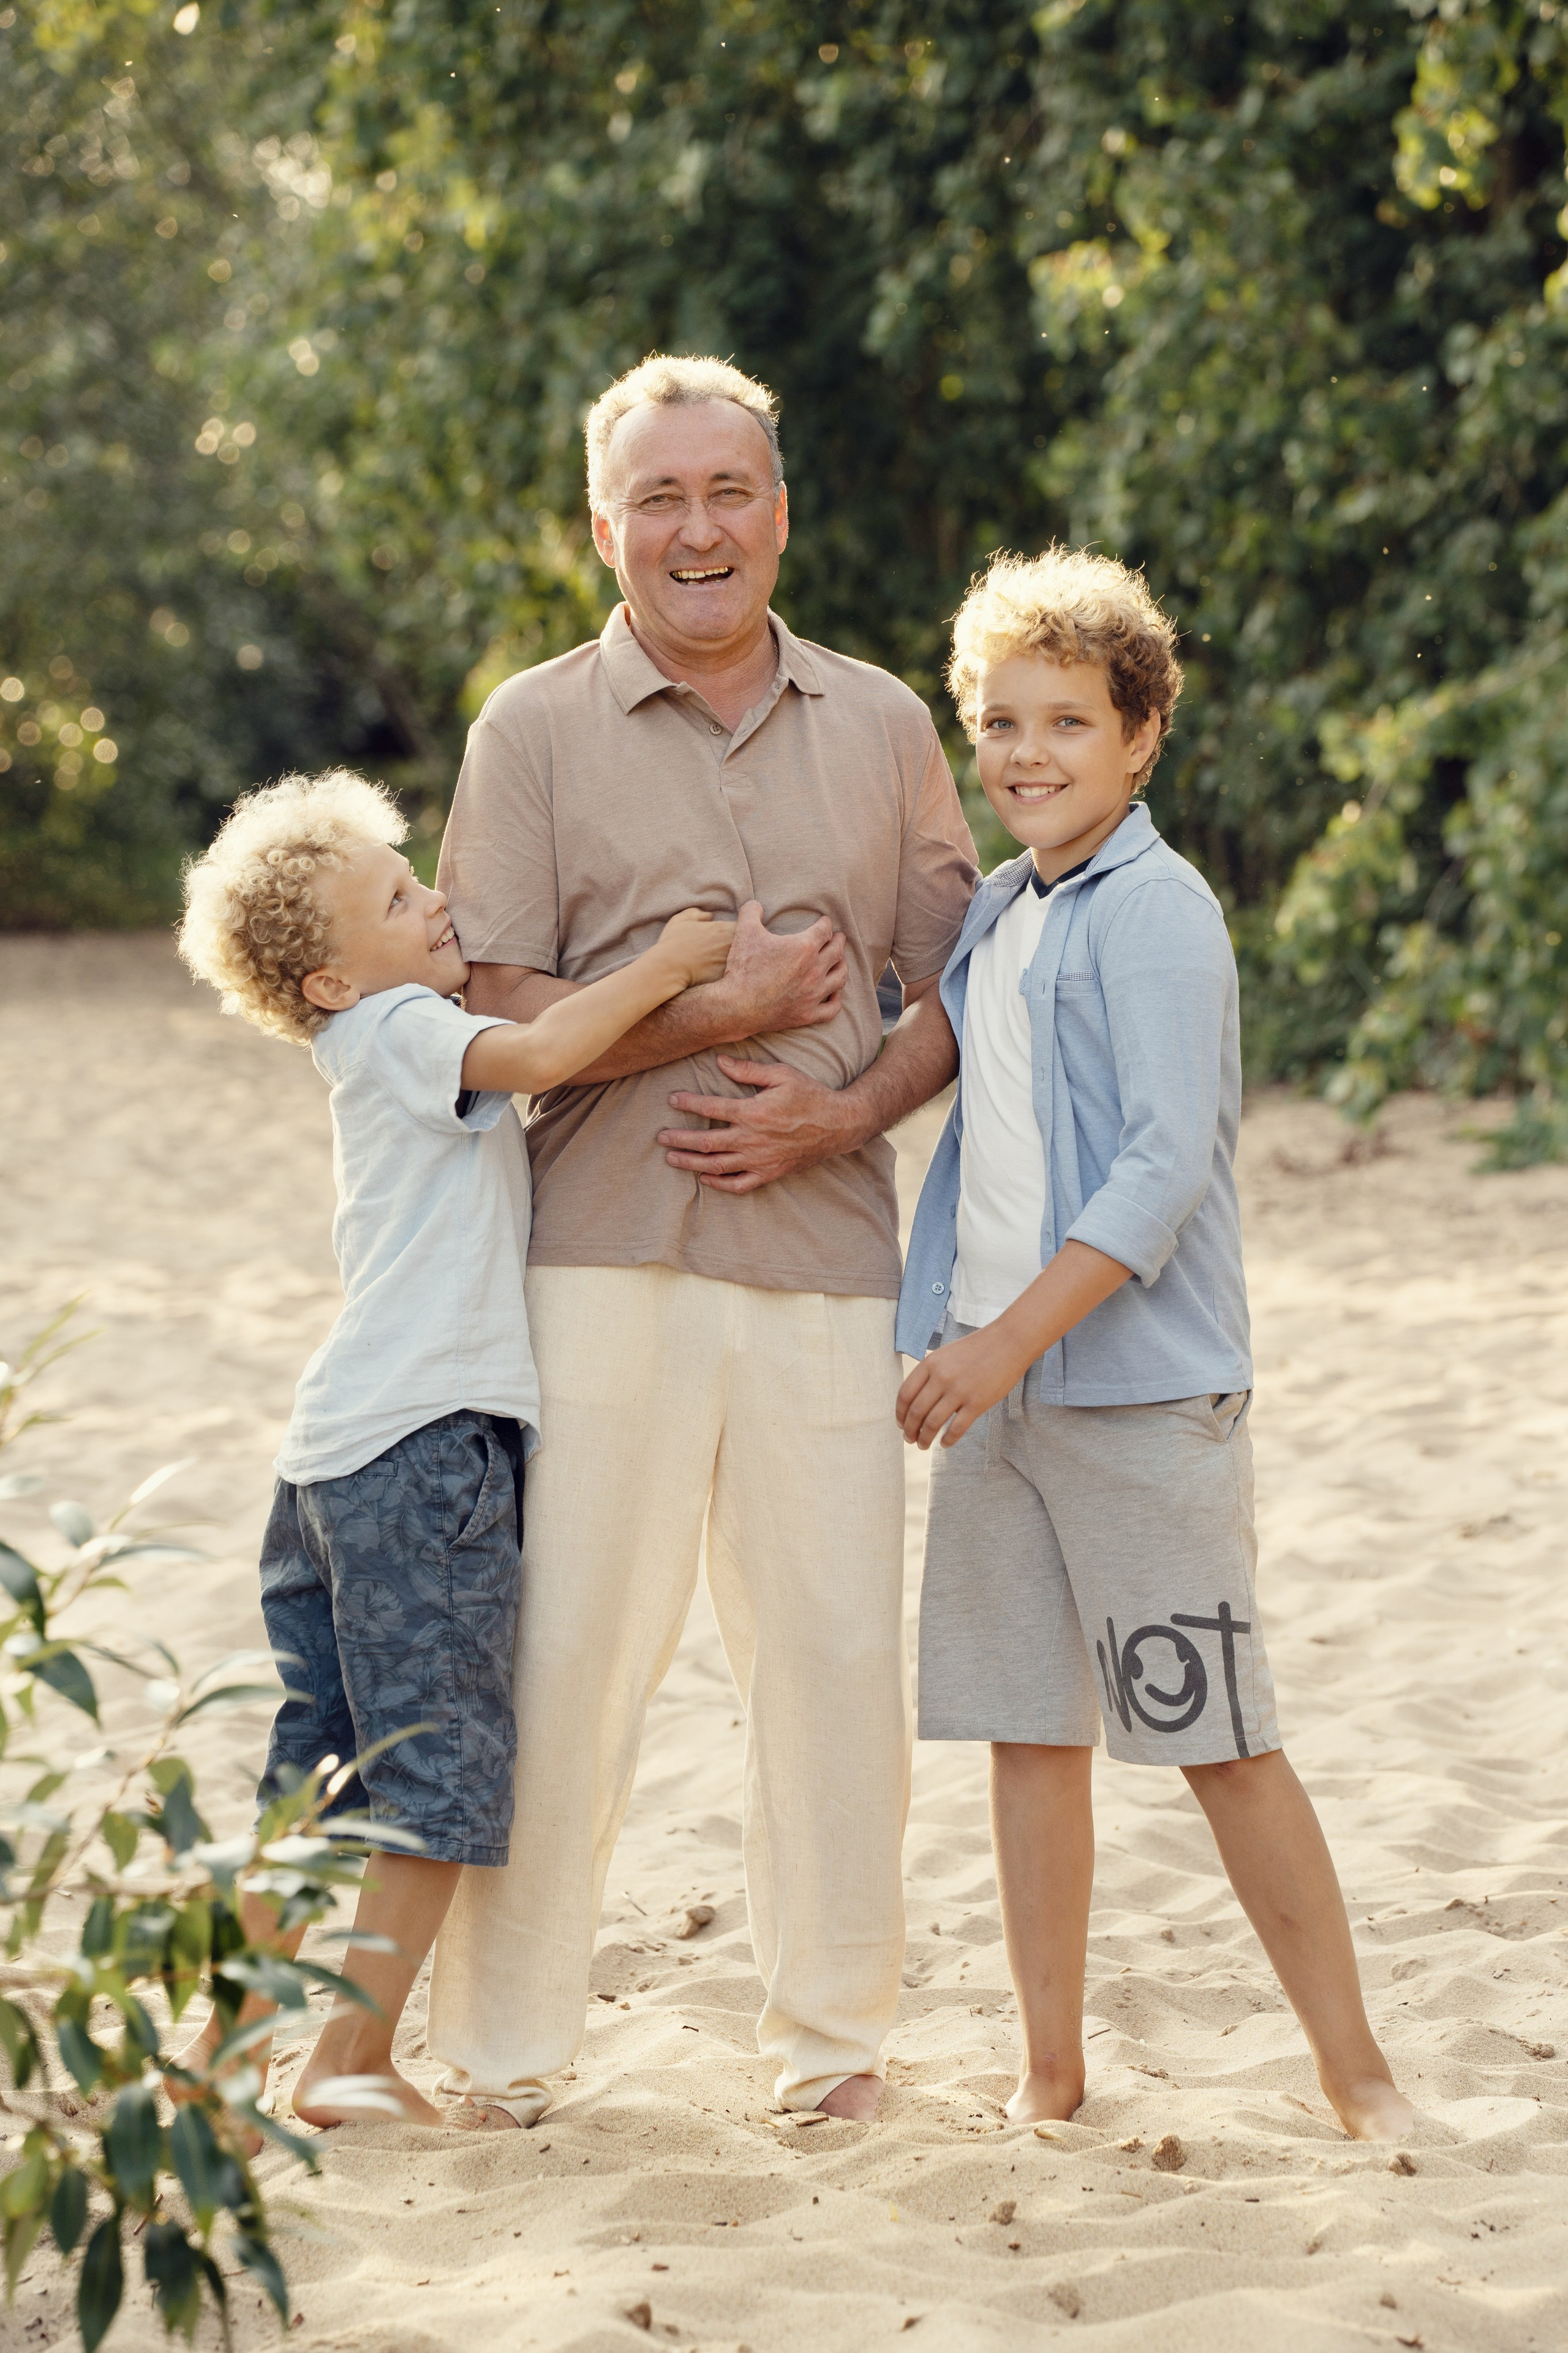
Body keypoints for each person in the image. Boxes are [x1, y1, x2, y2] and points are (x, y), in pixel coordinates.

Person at [428, 354, 978, 2126]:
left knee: (828, 1664)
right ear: (604, 527)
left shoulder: (890, 725)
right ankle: (509, 2057)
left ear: (780, 511)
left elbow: (960, 988)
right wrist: (707, 1006)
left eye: (726, 491)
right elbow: (492, 1001)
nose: (696, 530)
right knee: (574, 1655)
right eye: (656, 499)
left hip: (824, 1256)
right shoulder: (530, 728)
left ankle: (834, 2050)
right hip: (594, 1252)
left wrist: (840, 1110)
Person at [896, 548, 1417, 2140]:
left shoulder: (1160, 909)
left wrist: (1002, 1347)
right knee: (1028, 1732)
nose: (1028, 753)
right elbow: (955, 1108)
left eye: (1067, 720)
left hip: (1135, 1396)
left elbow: (1158, 1165)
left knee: (1220, 1739)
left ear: (1140, 736)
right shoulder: (999, 907)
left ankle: (1361, 2076)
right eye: (1000, 721)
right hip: (996, 1401)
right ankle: (1049, 2080)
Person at [173, 767, 733, 2128]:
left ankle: (219, 2050)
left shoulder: (360, 1045)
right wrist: (668, 962)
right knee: (438, 1768)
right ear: (325, 979)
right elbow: (537, 1054)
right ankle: (352, 2057)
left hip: (328, 1457)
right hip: (424, 1453)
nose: (436, 904)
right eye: (397, 897)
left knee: (313, 1766)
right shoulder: (406, 1025)